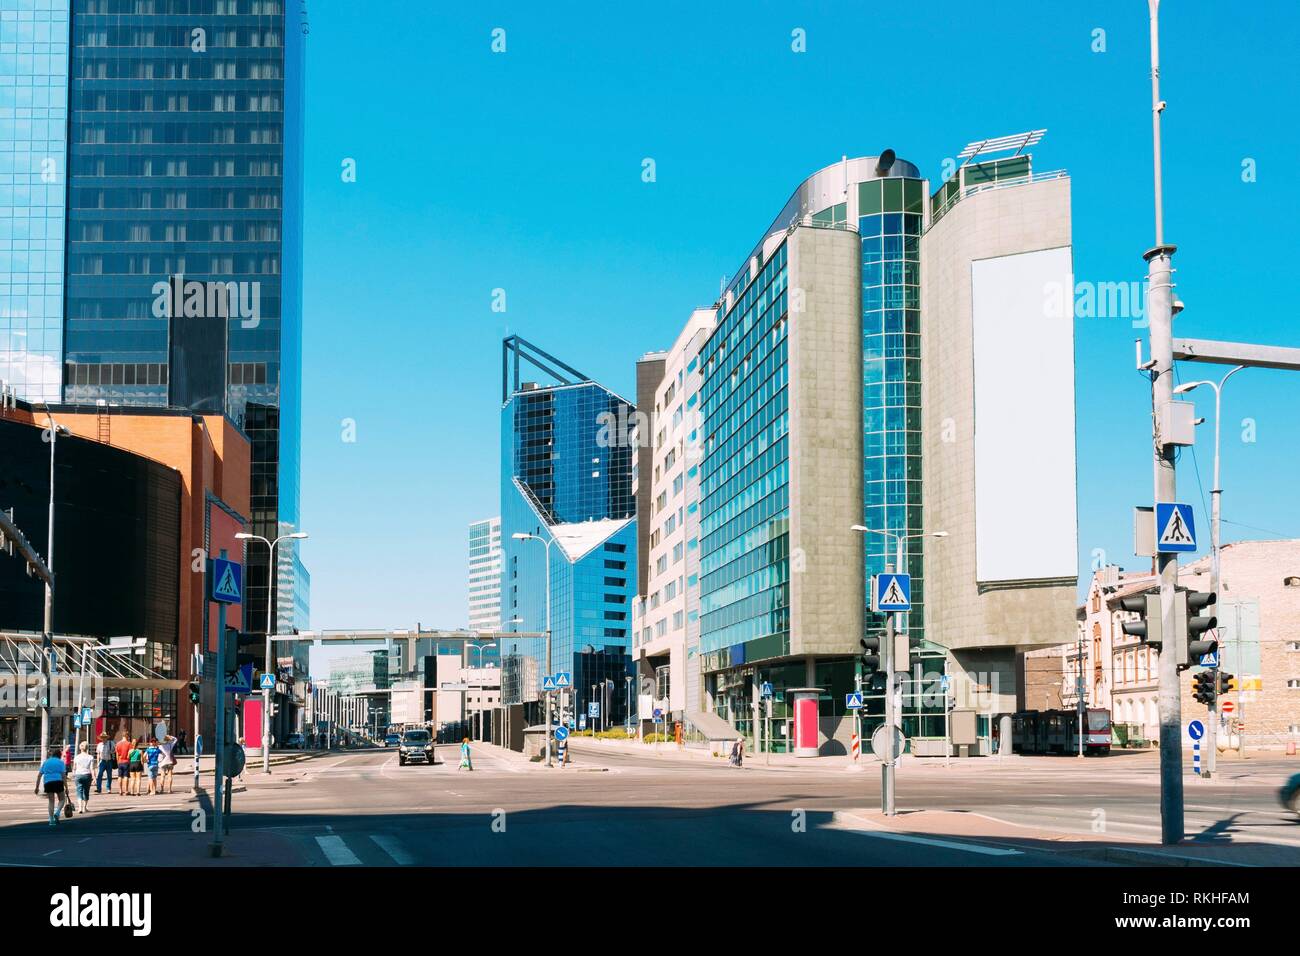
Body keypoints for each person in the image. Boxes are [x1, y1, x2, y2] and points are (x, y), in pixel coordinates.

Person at [34, 746, 69, 826]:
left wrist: (37, 787)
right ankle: (57, 812)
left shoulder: (46, 762)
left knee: (51, 801)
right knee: (62, 799)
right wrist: (66, 788)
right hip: (58, 782)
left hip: (48, 782)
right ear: (59, 755)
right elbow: (63, 776)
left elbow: (39, 775)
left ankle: (51, 820)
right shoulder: (61, 762)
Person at [72, 742, 95, 814]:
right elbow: (92, 768)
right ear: (87, 748)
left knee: (79, 791)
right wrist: (94, 778)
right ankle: (84, 807)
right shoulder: (90, 757)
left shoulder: (76, 757)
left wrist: (73, 775)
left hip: (78, 775)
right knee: (86, 791)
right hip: (87, 775)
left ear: (80, 748)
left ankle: (79, 808)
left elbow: (74, 768)